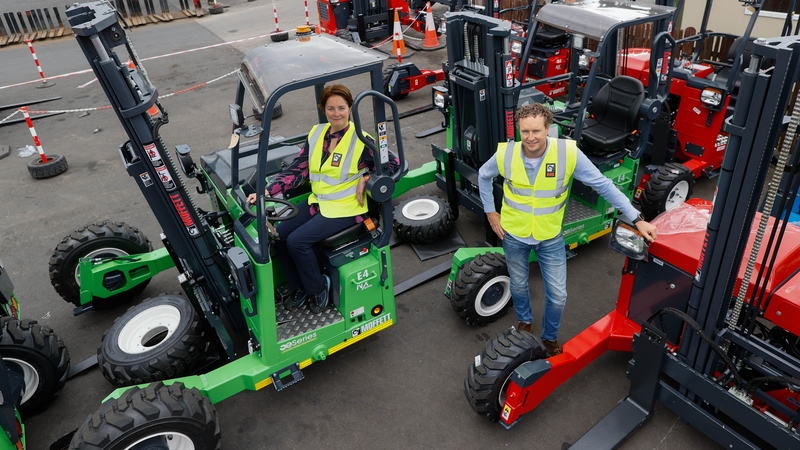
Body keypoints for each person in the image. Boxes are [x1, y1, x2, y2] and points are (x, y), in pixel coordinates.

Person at [478, 103, 657, 356]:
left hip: (550, 237)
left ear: (548, 128)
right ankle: (525, 323)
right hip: (514, 234)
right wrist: (490, 212)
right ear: (519, 130)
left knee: (559, 295)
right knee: (518, 285)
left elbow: (603, 185)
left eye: (537, 131)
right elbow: (483, 176)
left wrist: (637, 218)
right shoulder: (505, 154)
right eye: (525, 132)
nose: (531, 138)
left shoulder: (568, 154)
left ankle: (549, 337)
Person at [248, 84, 399, 313]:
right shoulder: (317, 134)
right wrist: (267, 191)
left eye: (341, 108)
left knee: (297, 241)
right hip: (318, 203)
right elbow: (300, 168)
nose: (336, 113)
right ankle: (298, 287)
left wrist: (367, 177)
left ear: (350, 109)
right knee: (279, 236)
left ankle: (318, 288)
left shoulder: (362, 140)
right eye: (331, 108)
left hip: (347, 210)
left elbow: (394, 166)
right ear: (324, 109)